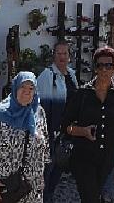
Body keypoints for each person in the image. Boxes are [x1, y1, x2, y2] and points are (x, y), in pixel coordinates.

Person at [62, 46, 114, 203]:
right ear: (95, 68)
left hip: (106, 159)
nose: (104, 69)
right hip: (83, 158)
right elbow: (65, 126)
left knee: (93, 196)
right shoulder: (82, 94)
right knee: (91, 198)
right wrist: (82, 131)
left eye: (108, 65)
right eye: (100, 65)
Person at [0, 71, 50, 203]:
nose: (27, 91)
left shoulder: (38, 113)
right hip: (4, 188)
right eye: (23, 87)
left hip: (32, 190)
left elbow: (44, 150)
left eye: (31, 88)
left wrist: (40, 182)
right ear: (15, 88)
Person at [38, 40, 78, 202]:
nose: (62, 56)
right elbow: (41, 108)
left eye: (65, 53)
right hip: (50, 133)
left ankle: (48, 197)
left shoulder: (71, 74)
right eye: (58, 53)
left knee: (58, 170)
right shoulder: (47, 75)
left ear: (69, 56)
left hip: (67, 133)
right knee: (46, 172)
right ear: (53, 56)